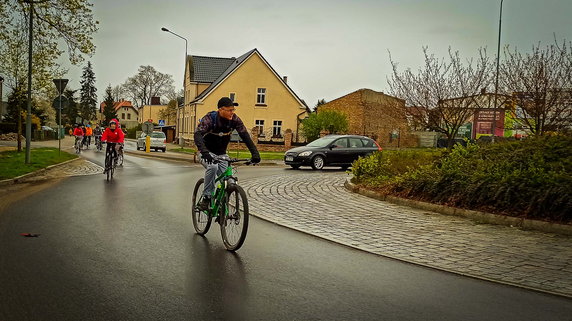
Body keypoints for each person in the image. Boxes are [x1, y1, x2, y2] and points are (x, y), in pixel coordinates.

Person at [194, 97, 261, 210]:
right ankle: (206, 197)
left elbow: (245, 136)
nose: (232, 113)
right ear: (221, 109)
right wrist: (204, 152)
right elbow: (198, 135)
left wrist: (255, 154)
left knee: (229, 181)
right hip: (206, 152)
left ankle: (221, 205)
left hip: (222, 154)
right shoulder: (210, 119)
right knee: (213, 167)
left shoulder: (235, 120)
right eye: (229, 110)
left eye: (233, 110)